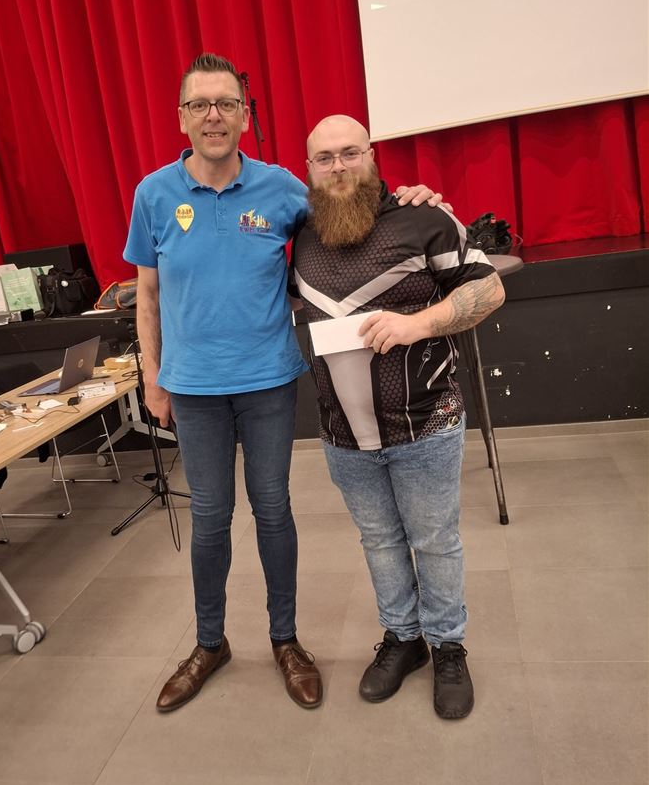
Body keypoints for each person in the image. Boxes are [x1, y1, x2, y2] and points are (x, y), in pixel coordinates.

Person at [123, 54, 443, 713]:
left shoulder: (282, 190)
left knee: (273, 510)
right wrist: (152, 379)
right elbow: (146, 298)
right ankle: (208, 643)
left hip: (268, 383)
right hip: (193, 389)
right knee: (210, 517)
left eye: (226, 103)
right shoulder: (153, 195)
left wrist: (413, 198)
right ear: (181, 118)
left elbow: (352, 209)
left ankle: (285, 640)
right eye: (199, 104)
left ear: (245, 116)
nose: (214, 115)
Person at [291, 114, 505, 719]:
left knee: (434, 540)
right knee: (380, 540)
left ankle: (448, 646)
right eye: (324, 157)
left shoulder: (425, 219)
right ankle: (404, 638)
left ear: (372, 155)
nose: (338, 166)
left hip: (425, 423)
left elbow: (489, 289)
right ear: (309, 169)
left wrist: (419, 324)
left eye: (349, 153)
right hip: (342, 434)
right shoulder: (301, 238)